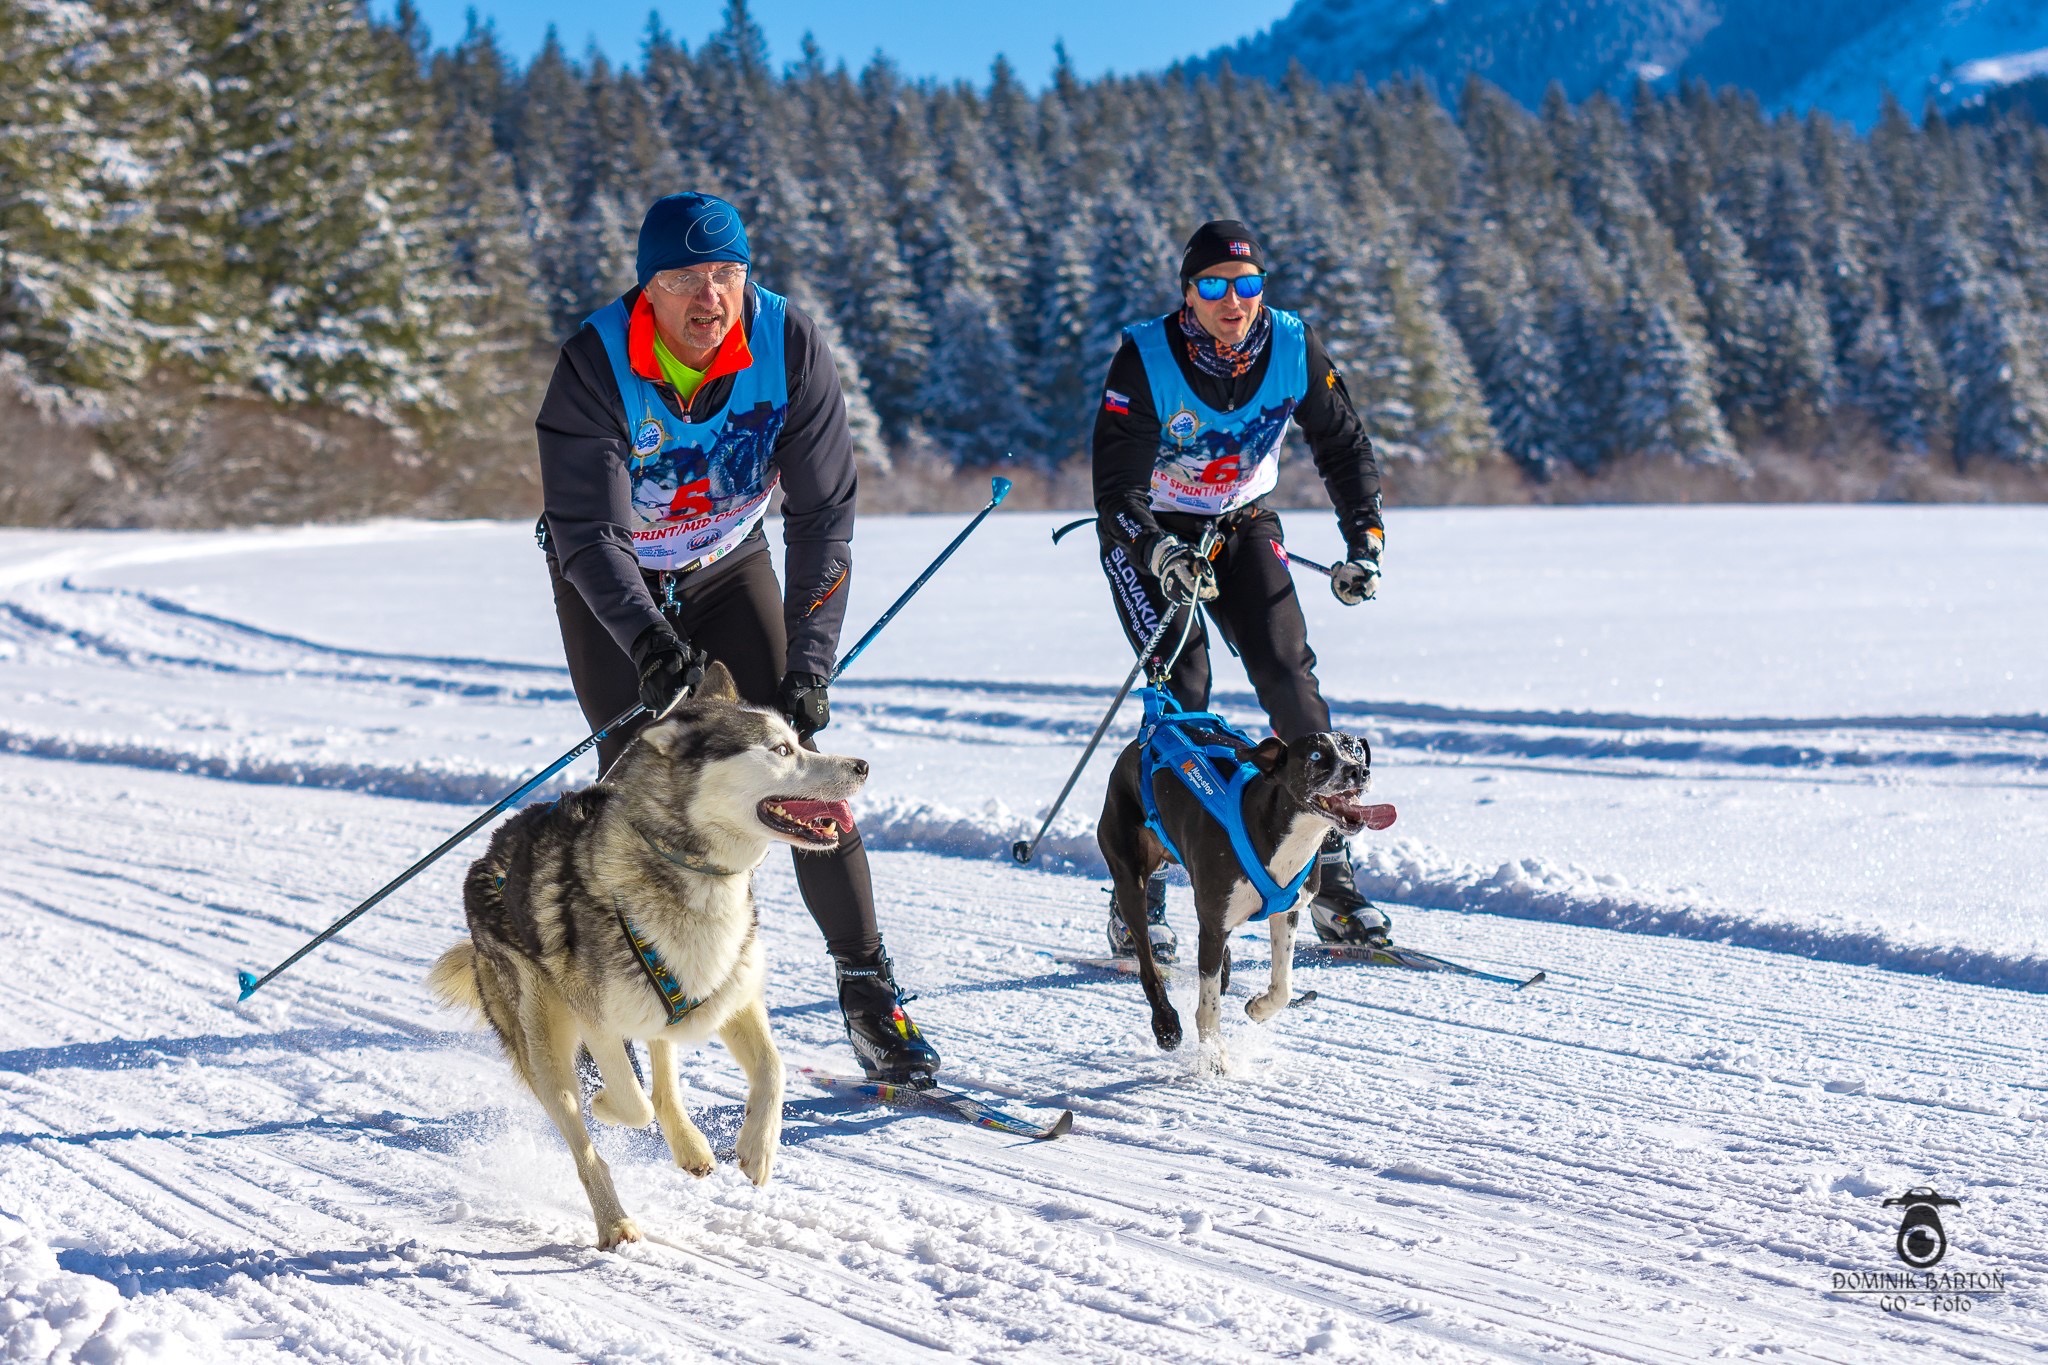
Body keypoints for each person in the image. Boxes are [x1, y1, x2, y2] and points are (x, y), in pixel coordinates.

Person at [534, 191, 941, 1084]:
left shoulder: (787, 343)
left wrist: (810, 659)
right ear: (649, 290)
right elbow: (589, 535)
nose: (710, 297)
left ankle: (871, 994)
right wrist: (646, 640)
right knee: (636, 783)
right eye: (684, 279)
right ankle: (613, 1009)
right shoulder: (595, 363)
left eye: (727, 274)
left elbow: (824, 514)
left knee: (800, 770)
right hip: (616, 578)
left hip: (726, 561)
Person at [1092, 219, 1390, 960]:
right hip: (1150, 530)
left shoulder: (1292, 344)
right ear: (1188, 294)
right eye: (1216, 286)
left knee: (1289, 678)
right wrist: (1158, 550)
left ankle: (1329, 872)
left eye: (1248, 283)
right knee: (1184, 695)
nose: (1235, 301)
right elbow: (1116, 489)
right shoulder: (1146, 356)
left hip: (1242, 522)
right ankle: (1144, 886)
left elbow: (1343, 444)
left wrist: (1365, 542)